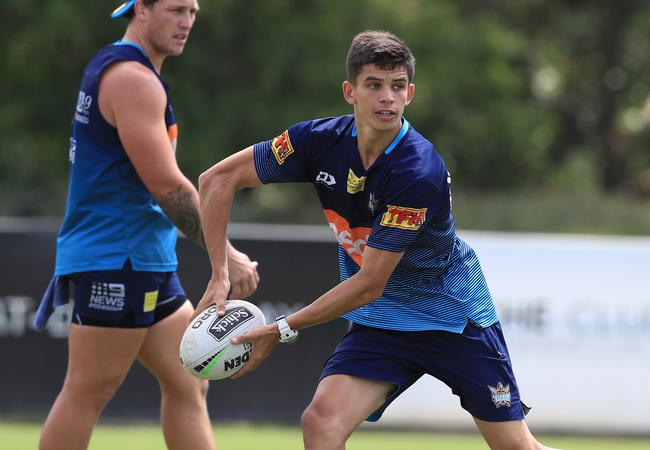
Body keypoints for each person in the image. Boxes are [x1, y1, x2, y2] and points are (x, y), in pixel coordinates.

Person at [196, 30, 558, 450]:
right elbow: (216, 180)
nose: (387, 97)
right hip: (383, 324)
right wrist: (219, 273)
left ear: (410, 93)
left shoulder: (417, 171)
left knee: (516, 447)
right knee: (321, 423)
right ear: (350, 91)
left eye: (397, 86)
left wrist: (281, 328)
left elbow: (370, 283)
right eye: (374, 85)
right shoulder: (317, 142)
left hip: (453, 318)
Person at [32, 1, 259, 449]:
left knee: (189, 383)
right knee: (87, 391)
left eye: (193, 12)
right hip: (118, 260)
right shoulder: (132, 80)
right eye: (175, 10)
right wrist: (225, 256)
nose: (187, 22)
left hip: (144, 259)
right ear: (140, 10)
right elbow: (169, 189)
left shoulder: (120, 66)